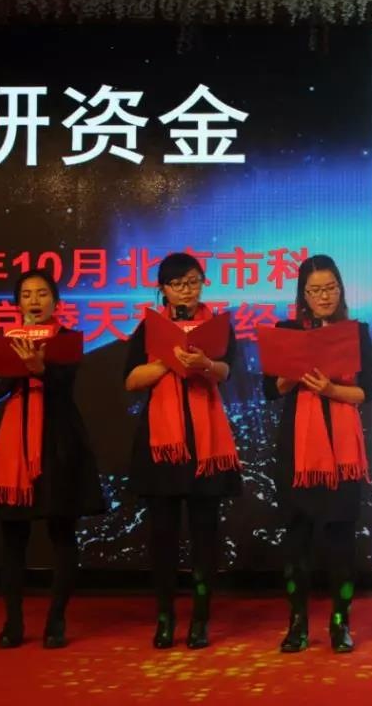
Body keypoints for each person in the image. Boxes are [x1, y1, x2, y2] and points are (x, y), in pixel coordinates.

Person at [123, 252, 242, 650]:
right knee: (163, 538)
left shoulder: (217, 325)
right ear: (163, 290)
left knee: (205, 538)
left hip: (206, 445)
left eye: (193, 282)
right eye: (177, 284)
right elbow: (131, 380)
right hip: (163, 448)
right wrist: (167, 363)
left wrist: (204, 362)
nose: (186, 291)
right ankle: (165, 617)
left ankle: (200, 620)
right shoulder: (149, 328)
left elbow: (227, 371)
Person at [263, 255, 372, 653]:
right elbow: (270, 390)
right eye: (314, 290)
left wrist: (330, 390)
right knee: (296, 540)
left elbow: (369, 391)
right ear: (303, 296)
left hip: (342, 451)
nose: (324, 296)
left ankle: (339, 623)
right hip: (298, 450)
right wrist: (293, 373)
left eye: (330, 288)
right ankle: (296, 624)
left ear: (341, 290)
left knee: (340, 539)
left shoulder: (356, 333)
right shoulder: (287, 331)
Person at [0, 269, 102, 650]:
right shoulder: (5, 338)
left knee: (62, 533)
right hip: (15, 444)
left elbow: (65, 386)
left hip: (58, 440)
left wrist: (41, 369)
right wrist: (16, 365)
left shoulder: (66, 339)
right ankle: (13, 623)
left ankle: (56, 621)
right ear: (17, 303)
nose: (34, 301)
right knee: (12, 538)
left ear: (56, 301)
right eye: (26, 295)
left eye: (42, 294)